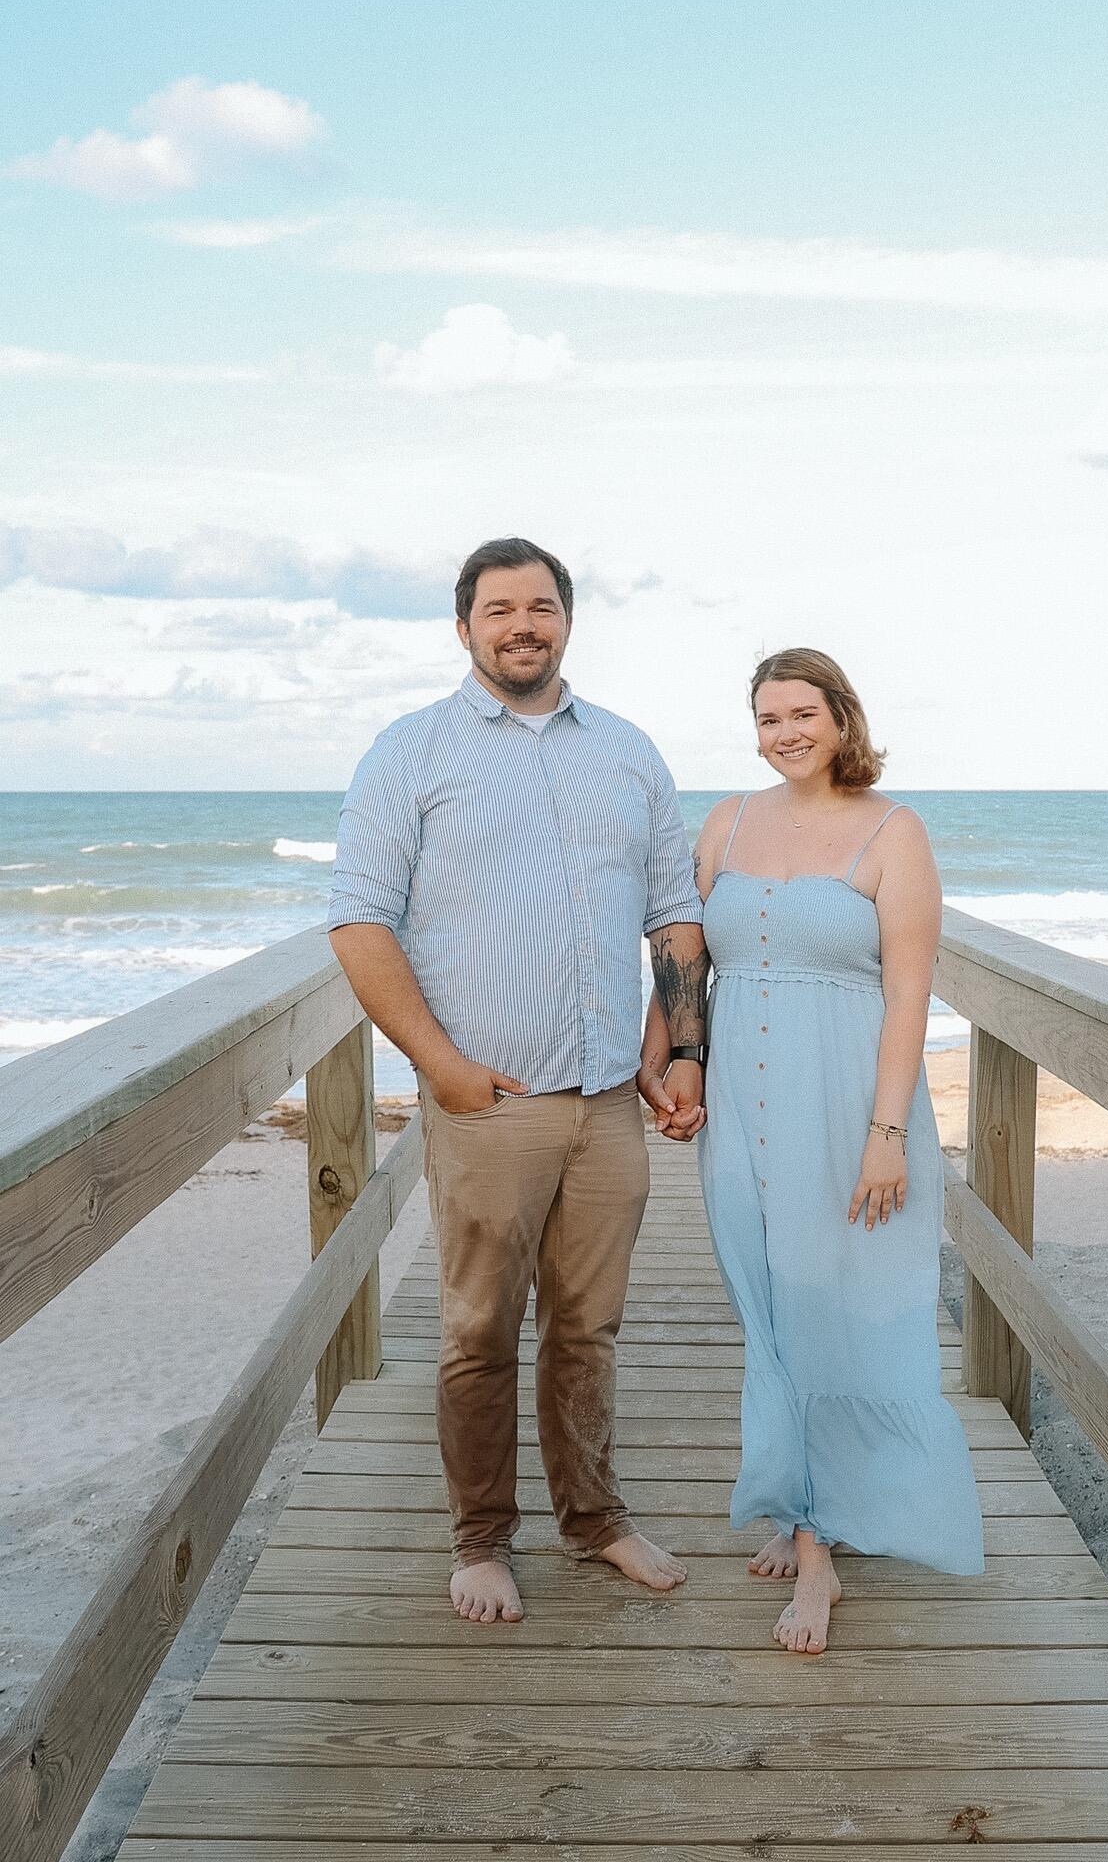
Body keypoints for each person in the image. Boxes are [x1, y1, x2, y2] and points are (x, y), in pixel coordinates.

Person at [328, 535, 709, 1626]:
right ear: (464, 627)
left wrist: (683, 1049)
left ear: (568, 620)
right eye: (498, 608)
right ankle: (480, 1538)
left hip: (607, 1106)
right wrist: (442, 1070)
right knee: (480, 1331)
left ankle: (594, 1521)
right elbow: (358, 918)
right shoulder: (411, 751)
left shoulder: (629, 752)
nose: (521, 624)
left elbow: (674, 912)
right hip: (489, 1104)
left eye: (540, 605)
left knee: (590, 1329)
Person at [639, 647, 985, 1655]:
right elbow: (684, 956)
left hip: (847, 1105)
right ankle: (803, 1503)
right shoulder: (727, 821)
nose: (782, 731)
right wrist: (657, 1061)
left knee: (841, 1302)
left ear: (841, 717)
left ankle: (821, 1546)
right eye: (765, 716)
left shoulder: (894, 830)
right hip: (742, 1108)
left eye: (800, 712)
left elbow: (910, 993)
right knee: (772, 1302)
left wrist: (888, 1135)